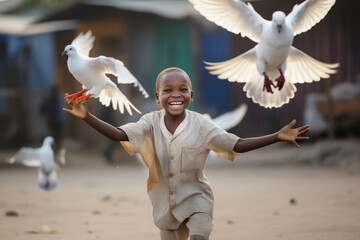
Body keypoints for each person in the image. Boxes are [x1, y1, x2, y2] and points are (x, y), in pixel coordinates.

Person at [63, 67, 310, 240]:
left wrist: (276, 136)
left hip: (197, 200)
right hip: (164, 206)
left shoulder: (202, 125)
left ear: (191, 95)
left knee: (200, 233)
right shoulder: (149, 123)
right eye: (168, 90)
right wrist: (87, 117)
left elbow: (237, 144)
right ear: (158, 96)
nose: (175, 95)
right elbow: (119, 134)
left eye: (182, 89)